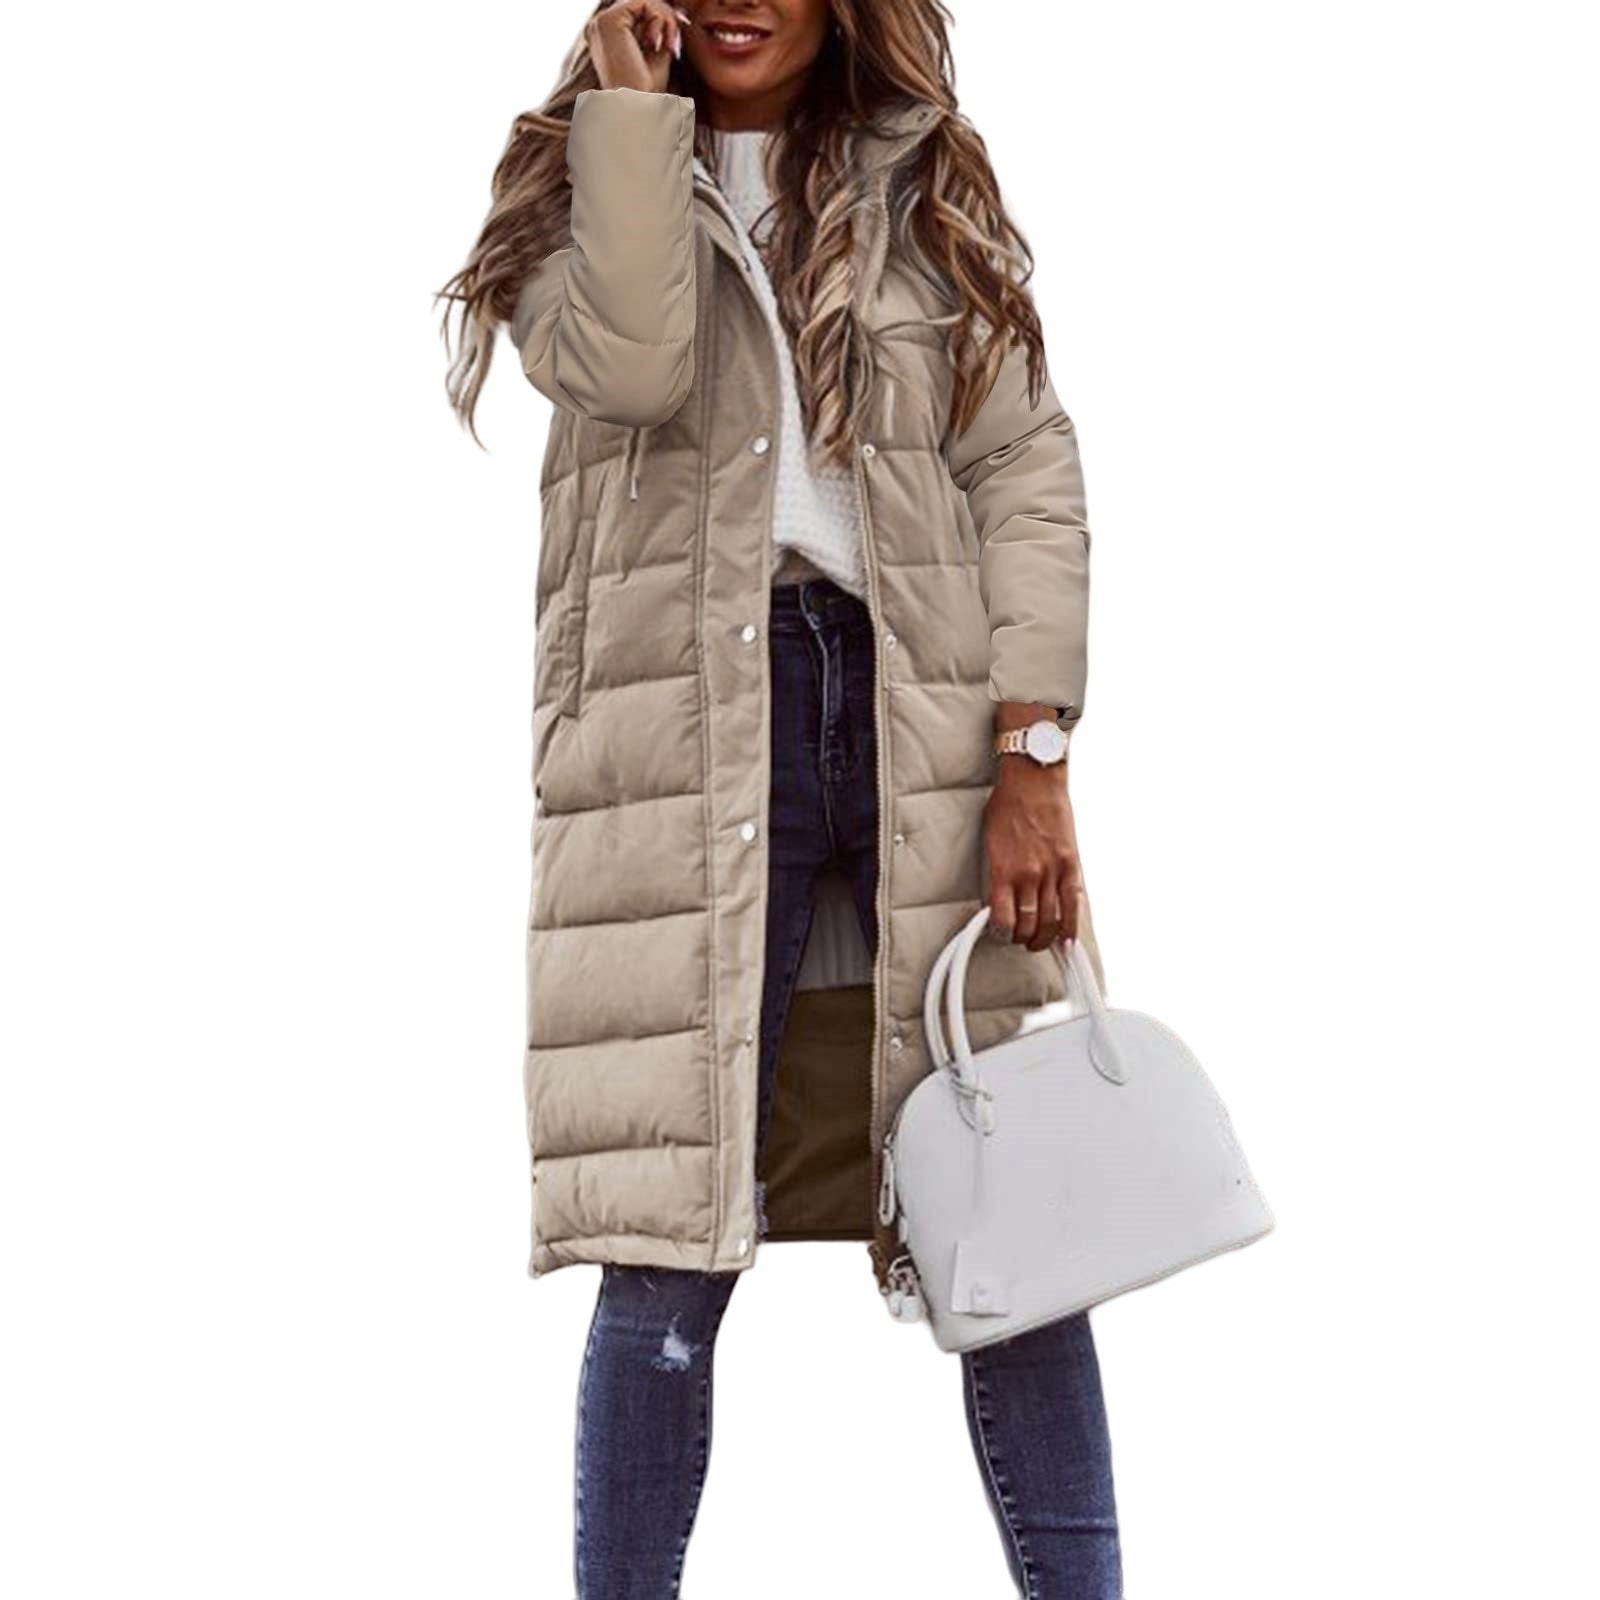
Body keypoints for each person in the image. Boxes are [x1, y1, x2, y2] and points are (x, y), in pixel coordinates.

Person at [441, 2, 1122, 1594]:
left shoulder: (921, 181)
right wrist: (632, 122)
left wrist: (1033, 754)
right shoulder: (574, 181)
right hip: (685, 728)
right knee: (666, 1230)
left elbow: (1023, 468)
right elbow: (630, 365)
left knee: (1013, 1220)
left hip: (914, 707)